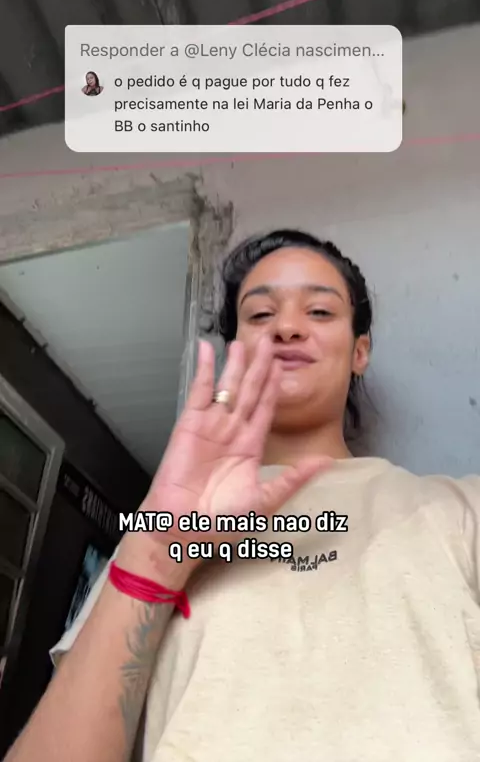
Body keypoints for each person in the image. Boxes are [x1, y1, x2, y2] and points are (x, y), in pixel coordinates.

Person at [5, 229, 480, 762]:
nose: (288, 327)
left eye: (320, 312)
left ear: (360, 351)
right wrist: (159, 549)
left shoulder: (462, 511)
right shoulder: (155, 533)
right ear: (235, 350)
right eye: (260, 314)